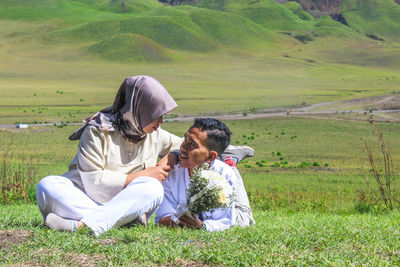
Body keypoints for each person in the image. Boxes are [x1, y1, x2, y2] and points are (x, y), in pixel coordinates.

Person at [36, 75, 183, 237]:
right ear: (139, 109)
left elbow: (182, 144)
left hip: (127, 201)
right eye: (155, 114)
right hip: (86, 196)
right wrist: (140, 176)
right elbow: (93, 182)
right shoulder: (96, 131)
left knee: (153, 188)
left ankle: (81, 225)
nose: (160, 121)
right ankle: (122, 221)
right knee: (47, 185)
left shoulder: (154, 134)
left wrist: (171, 156)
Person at [156, 118, 255, 231]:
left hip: (226, 172)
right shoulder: (172, 172)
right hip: (206, 162)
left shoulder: (223, 174)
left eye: (192, 145)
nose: (183, 147)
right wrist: (171, 221)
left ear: (211, 156)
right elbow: (162, 217)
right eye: (185, 140)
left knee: (244, 220)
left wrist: (201, 226)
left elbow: (224, 221)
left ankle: (230, 160)